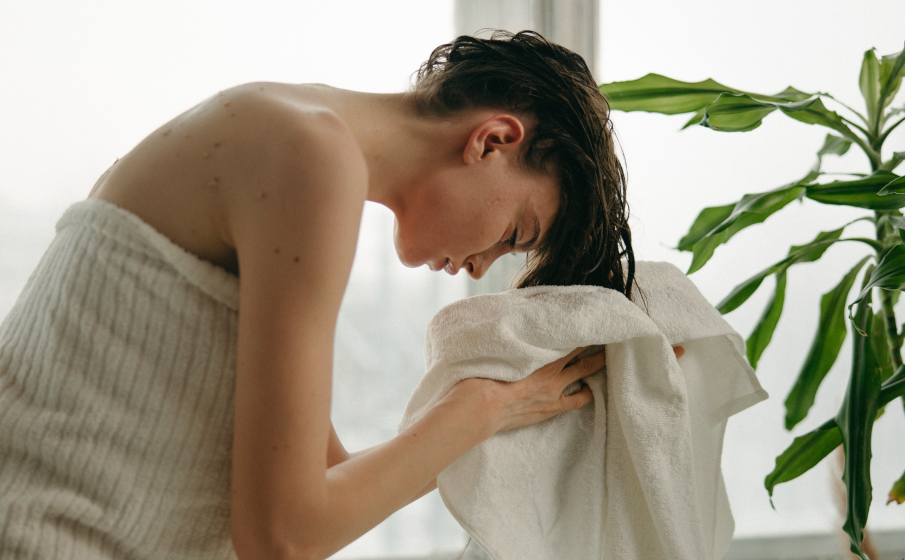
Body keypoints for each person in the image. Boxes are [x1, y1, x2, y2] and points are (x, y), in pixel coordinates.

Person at [0, 30, 680, 559]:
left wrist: (516, 407)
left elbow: (327, 485)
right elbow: (284, 539)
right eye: (513, 234)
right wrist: (476, 411)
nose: (483, 268)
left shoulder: (284, 131)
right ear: (493, 140)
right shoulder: (305, 151)